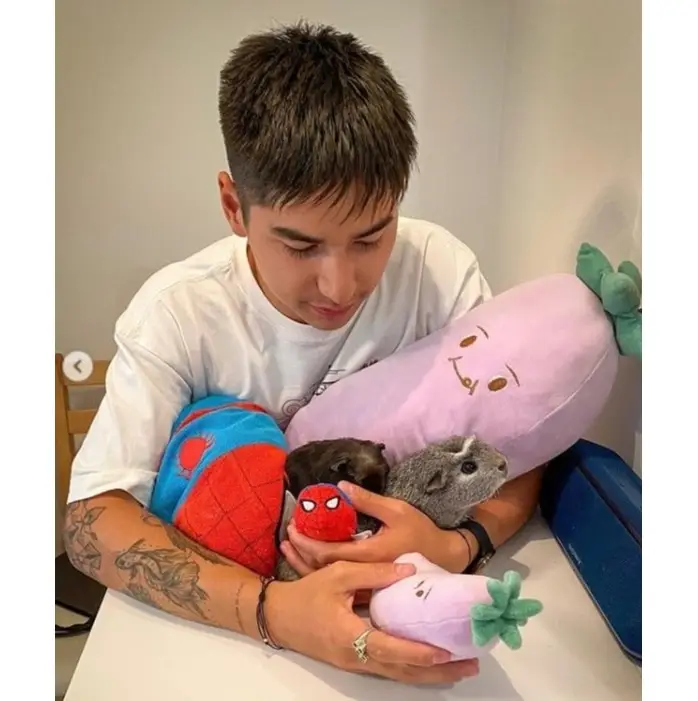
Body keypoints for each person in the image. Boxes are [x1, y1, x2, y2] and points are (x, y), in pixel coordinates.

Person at [63, 22, 543, 686]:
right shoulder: (179, 312)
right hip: (227, 648)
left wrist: (460, 543)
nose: (340, 287)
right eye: (301, 246)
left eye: (371, 238)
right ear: (234, 205)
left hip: (413, 609)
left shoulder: (439, 272)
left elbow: (524, 440)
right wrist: (273, 611)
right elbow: (92, 521)